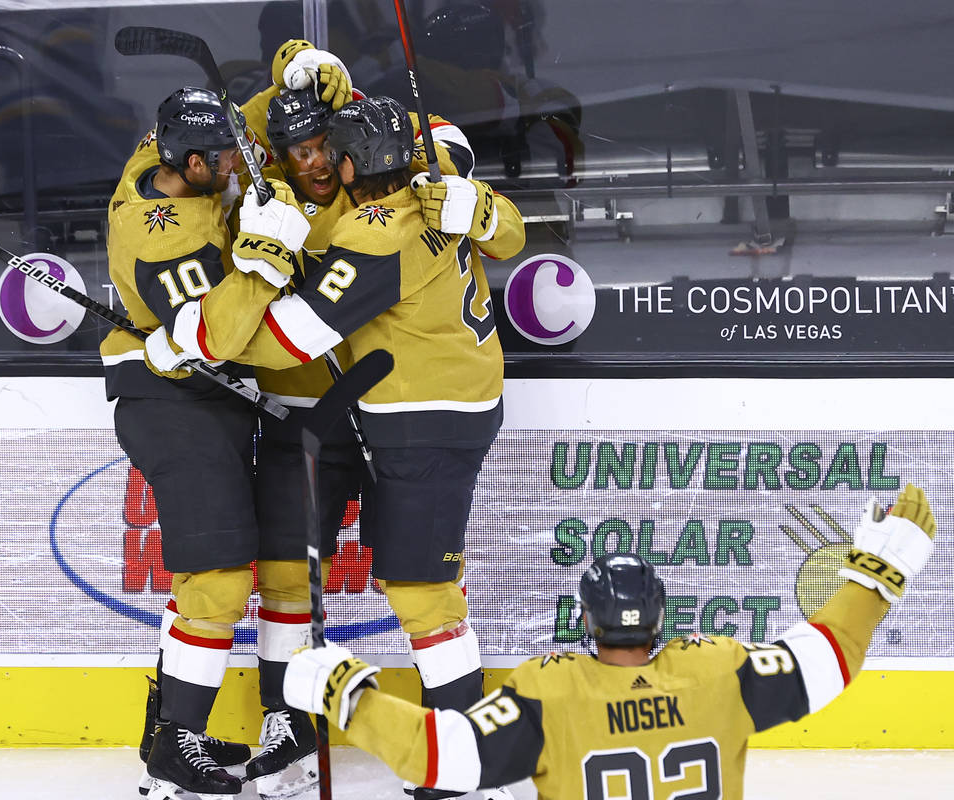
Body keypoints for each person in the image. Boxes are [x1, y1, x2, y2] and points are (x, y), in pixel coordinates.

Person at [147, 93, 526, 800]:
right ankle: (304, 739)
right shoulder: (427, 192)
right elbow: (502, 222)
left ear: (353, 160)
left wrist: (188, 337)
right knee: (357, 585)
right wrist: (476, 204)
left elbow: (295, 335)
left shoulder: (378, 232)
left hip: (421, 421)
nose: (320, 163)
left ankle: (471, 766)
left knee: (425, 594)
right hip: (419, 414)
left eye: (332, 149)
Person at [283, 483, 938, 800]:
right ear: (660, 613)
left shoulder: (551, 689)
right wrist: (876, 577)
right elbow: (827, 657)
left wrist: (347, 692)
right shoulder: (716, 674)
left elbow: (439, 757)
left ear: (587, 620)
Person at [101, 86, 270, 800]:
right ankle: (176, 748)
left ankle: (175, 729)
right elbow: (221, 332)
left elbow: (226, 126)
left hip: (204, 397)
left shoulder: (162, 150)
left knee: (205, 577)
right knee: (223, 576)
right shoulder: (165, 238)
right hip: (171, 398)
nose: (239, 161)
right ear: (192, 163)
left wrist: (273, 88)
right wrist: (267, 254)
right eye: (227, 156)